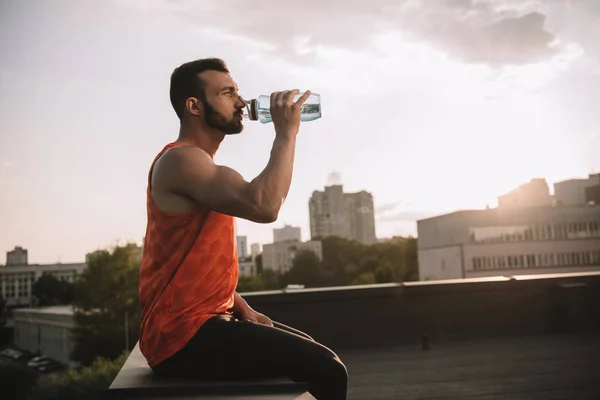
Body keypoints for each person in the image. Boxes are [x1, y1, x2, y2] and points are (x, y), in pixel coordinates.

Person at [138, 58, 348, 400]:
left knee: (308, 350)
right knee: (327, 369)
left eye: (238, 91)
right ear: (194, 106)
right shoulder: (182, 161)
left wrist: (241, 307)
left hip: (202, 323)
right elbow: (264, 205)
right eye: (227, 92)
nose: (240, 101)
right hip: (182, 337)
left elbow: (186, 261)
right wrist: (286, 132)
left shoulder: (201, 166)